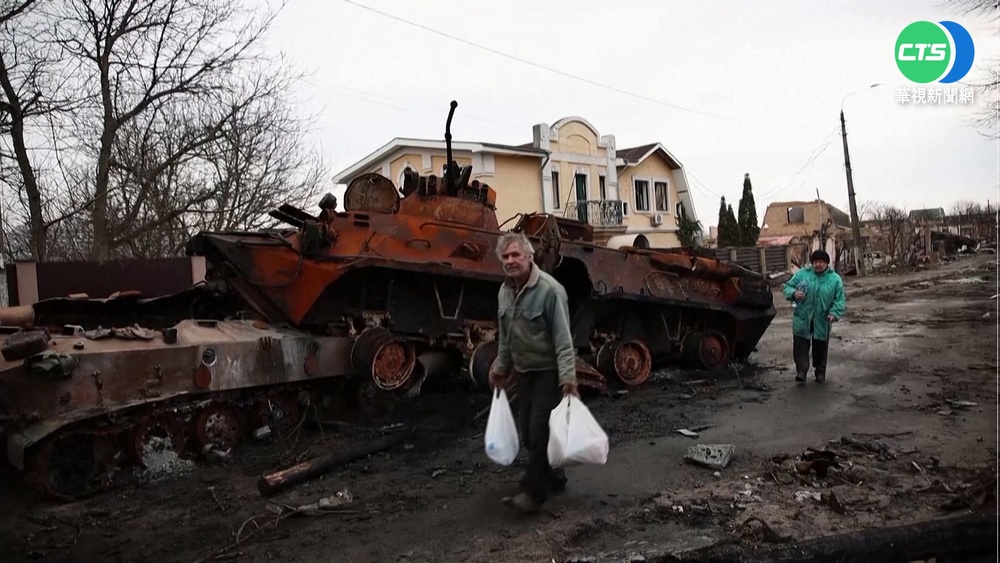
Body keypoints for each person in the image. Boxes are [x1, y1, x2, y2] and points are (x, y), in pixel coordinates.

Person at [489, 232, 578, 514]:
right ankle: (554, 475)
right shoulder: (504, 292)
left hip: (548, 372)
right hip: (524, 371)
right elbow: (506, 337)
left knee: (538, 430)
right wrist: (501, 368)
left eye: (516, 254)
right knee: (528, 431)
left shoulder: (550, 291)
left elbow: (564, 340)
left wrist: (568, 378)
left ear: (529, 257)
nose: (511, 260)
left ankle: (533, 492)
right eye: (505, 256)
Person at [782, 249, 846, 383]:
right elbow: (787, 286)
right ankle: (801, 370)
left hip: (822, 318)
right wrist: (794, 293)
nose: (818, 265)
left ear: (827, 263)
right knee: (800, 345)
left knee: (820, 346)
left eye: (821, 262)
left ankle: (820, 371)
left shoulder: (834, 279)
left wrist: (834, 313)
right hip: (802, 316)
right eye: (815, 262)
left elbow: (839, 300)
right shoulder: (802, 274)